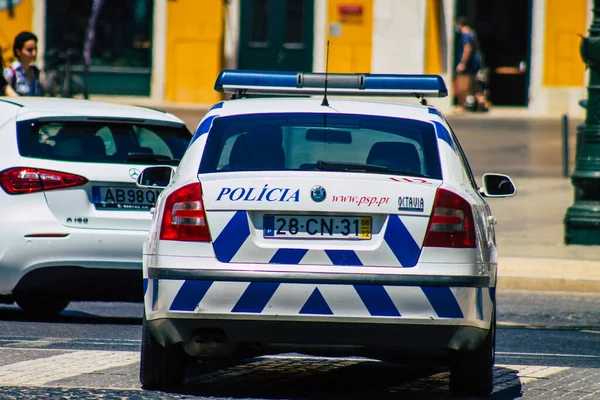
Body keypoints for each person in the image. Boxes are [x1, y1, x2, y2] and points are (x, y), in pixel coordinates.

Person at [453, 17, 486, 113]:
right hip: (474, 65)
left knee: (462, 84)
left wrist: (462, 63)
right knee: (474, 84)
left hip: (468, 65)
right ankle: (483, 102)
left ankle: (461, 106)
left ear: (459, 24)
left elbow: (467, 48)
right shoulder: (472, 33)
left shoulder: (465, 35)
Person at [3, 31, 43, 96]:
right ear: (18, 52)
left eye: (35, 49)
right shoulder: (11, 72)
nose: (34, 54)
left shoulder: (35, 71)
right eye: (29, 50)